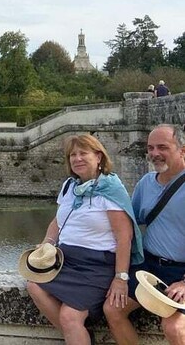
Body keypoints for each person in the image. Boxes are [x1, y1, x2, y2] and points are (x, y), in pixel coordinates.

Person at [25, 134, 143, 345]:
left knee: (70, 316)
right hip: (65, 261)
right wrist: (47, 243)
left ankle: (77, 335)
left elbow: (124, 237)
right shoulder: (70, 186)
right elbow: (57, 221)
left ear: (99, 157)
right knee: (34, 286)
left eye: (83, 153)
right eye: (73, 155)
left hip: (96, 266)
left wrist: (120, 278)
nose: (77, 158)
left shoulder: (111, 189)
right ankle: (79, 337)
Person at [104, 124, 185, 344]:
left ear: (182, 150)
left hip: (181, 273)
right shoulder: (146, 183)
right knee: (113, 309)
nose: (154, 154)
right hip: (147, 267)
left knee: (174, 327)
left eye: (162, 147)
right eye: (150, 148)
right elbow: (128, 225)